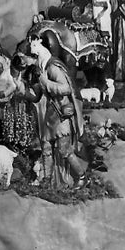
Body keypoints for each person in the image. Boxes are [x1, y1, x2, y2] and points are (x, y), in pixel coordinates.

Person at [29, 30, 86, 190]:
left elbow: (66, 88)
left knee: (64, 150)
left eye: (34, 45)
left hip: (61, 116)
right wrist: (25, 92)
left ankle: (81, 177)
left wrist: (45, 83)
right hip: (50, 115)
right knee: (46, 148)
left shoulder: (53, 68)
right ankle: (47, 180)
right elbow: (38, 95)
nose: (32, 49)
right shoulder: (41, 66)